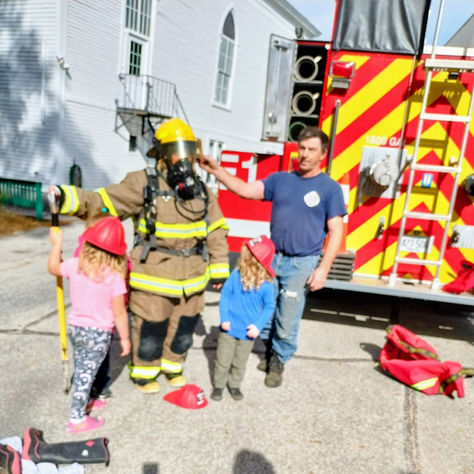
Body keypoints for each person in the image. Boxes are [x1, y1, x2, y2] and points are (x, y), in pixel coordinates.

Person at [49, 118, 230, 394]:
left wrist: (219, 265)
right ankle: (145, 373)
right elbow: (103, 202)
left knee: (183, 328)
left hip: (192, 279)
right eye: (177, 151)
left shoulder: (201, 191)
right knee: (150, 330)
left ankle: (173, 367)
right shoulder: (143, 183)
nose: (184, 159)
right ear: (162, 155)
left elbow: (216, 228)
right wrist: (67, 198)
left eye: (189, 151)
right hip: (153, 277)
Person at [199, 126, 346, 388]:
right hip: (272, 258)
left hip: (302, 261)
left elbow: (336, 231)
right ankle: (267, 349)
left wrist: (323, 268)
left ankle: (278, 359)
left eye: (311, 150)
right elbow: (244, 190)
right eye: (301, 148)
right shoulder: (280, 180)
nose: (304, 154)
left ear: (323, 154)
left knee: (288, 313)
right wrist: (217, 171)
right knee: (263, 305)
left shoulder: (329, 189)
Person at [48, 216, 131, 433]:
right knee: (86, 373)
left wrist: (57, 245)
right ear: (117, 253)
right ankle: (77, 419)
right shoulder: (115, 278)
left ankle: (86, 400)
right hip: (98, 334)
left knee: (83, 369)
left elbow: (53, 268)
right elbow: (120, 313)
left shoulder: (76, 266)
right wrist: (124, 338)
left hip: (76, 329)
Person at [211, 235, 276, 402]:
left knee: (240, 361)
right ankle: (219, 385)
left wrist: (258, 326)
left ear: (255, 260)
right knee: (223, 360)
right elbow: (225, 295)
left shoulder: (267, 286)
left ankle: (234, 385)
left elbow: (269, 307)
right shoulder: (236, 275)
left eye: (246, 255)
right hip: (229, 328)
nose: (242, 257)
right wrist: (224, 318)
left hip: (248, 333)